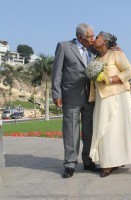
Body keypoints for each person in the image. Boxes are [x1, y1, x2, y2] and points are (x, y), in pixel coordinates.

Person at [89, 31, 131, 177]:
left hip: (117, 96)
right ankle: (111, 160)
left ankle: (109, 163)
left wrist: (110, 79)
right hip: (101, 98)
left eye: (97, 38)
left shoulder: (116, 54)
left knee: (112, 130)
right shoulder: (95, 58)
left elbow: (129, 71)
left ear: (105, 41)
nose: (94, 40)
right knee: (103, 129)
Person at [52, 23, 100, 178]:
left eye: (93, 36)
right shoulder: (65, 46)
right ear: (80, 37)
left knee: (89, 131)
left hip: (90, 97)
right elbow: (57, 72)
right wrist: (56, 94)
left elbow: (107, 52)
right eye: (90, 37)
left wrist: (115, 47)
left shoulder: (93, 50)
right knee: (71, 132)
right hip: (70, 96)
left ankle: (88, 161)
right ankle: (70, 164)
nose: (93, 39)